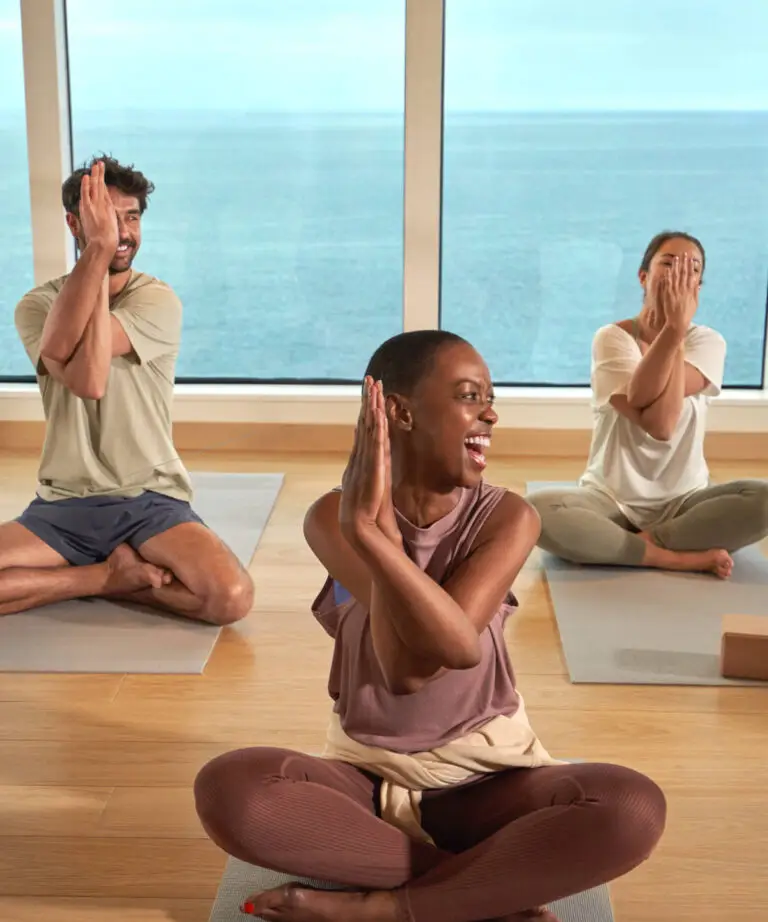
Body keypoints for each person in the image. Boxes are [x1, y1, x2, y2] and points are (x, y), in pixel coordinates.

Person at [193, 331, 666, 922]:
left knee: (631, 808)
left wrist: (371, 533)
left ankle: (386, 907)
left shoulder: (509, 518)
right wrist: (364, 527)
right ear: (398, 412)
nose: (491, 414)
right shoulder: (328, 520)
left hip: (487, 780)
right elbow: (402, 668)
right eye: (470, 397)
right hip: (363, 778)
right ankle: (478, 890)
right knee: (230, 790)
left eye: (490, 399)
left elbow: (449, 648)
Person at [3, 155, 253, 623]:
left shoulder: (157, 300)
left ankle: (95, 577)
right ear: (74, 222)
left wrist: (96, 253)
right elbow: (78, 370)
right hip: (64, 503)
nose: (122, 233)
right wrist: (97, 254)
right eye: (106, 219)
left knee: (231, 597)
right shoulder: (35, 305)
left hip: (149, 499)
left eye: (131, 217)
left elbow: (90, 376)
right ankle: (102, 578)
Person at [527, 231, 768, 579]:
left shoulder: (708, 342)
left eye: (692, 268)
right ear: (643, 276)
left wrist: (677, 330)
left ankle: (629, 545)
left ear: (699, 284)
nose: (680, 274)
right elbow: (654, 419)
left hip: (686, 503)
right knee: (537, 512)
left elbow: (661, 421)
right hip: (609, 500)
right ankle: (676, 557)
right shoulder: (611, 338)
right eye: (669, 263)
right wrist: (674, 330)